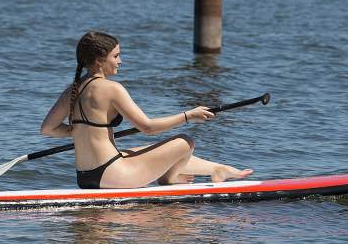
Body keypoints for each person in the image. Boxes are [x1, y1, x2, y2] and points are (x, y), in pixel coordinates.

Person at [40, 31, 253, 189]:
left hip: (85, 178)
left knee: (141, 150)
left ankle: (217, 169)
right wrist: (189, 115)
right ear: (99, 60)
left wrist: (77, 130)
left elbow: (48, 129)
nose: (120, 61)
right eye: (116, 56)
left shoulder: (73, 89)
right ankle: (169, 179)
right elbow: (148, 127)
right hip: (114, 176)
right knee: (185, 141)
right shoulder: (112, 89)